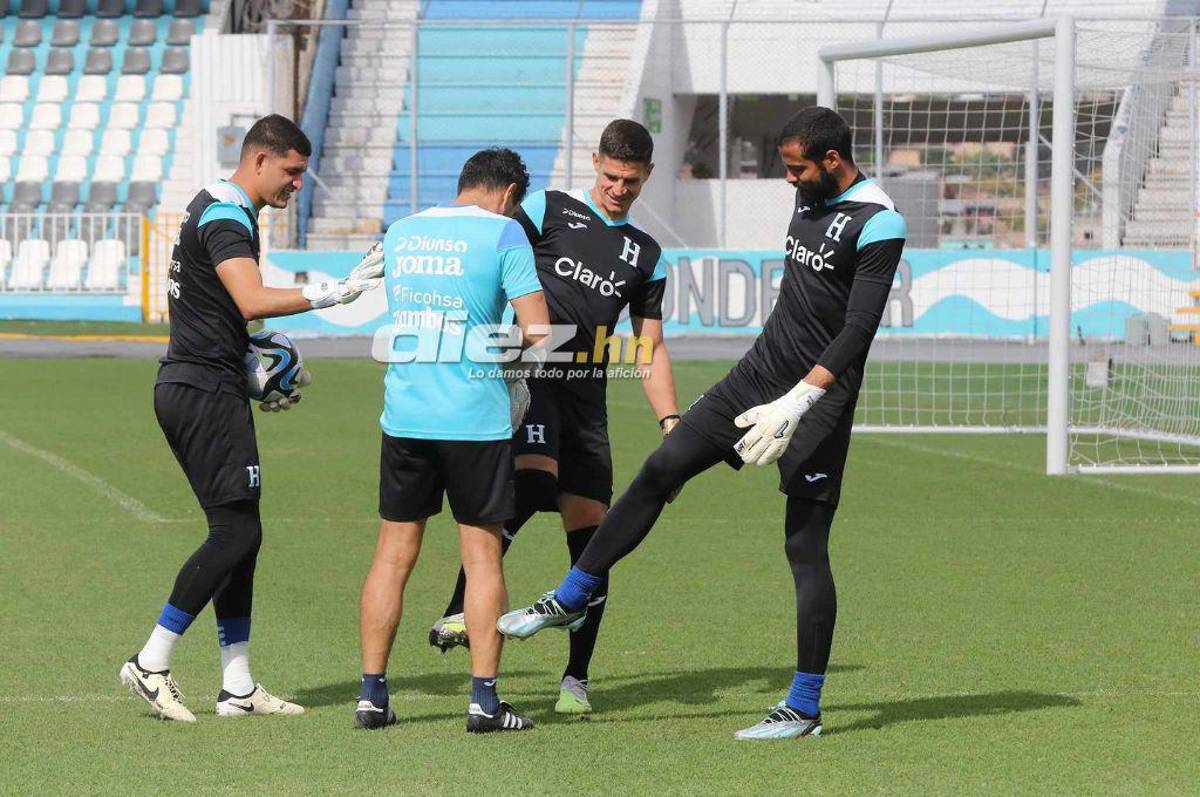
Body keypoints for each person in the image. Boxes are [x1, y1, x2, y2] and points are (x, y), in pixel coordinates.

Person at [497, 106, 908, 740]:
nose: (789, 181)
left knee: (805, 546)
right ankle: (573, 595)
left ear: (832, 161)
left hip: (816, 402)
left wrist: (798, 402)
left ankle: (804, 707)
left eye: (797, 169)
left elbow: (858, 330)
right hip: (754, 375)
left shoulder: (879, 222)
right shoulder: (810, 197)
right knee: (662, 468)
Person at [119, 114, 381, 722]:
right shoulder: (227, 215)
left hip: (205, 383)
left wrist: (258, 360)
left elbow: (224, 313)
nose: (296, 184)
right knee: (234, 534)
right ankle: (151, 661)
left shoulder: (217, 204)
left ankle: (237, 684)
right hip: (201, 390)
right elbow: (251, 299)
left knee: (244, 534)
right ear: (260, 161)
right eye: (291, 171)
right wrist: (331, 292)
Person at [426, 120, 680, 716]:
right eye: (611, 176)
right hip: (532, 376)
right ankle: (463, 606)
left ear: (647, 176)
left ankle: (577, 680)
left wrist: (671, 422)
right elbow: (490, 261)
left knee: (594, 542)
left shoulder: (647, 255)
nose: (619, 189)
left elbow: (650, 347)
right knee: (534, 481)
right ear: (595, 163)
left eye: (632, 181)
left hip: (588, 401)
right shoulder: (545, 208)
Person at [355, 148, 551, 734]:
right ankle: (484, 702)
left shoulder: (404, 232)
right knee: (482, 558)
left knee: (391, 557)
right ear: (511, 194)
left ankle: (371, 696)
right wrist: (509, 367)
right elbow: (538, 331)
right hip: (475, 419)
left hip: (407, 414)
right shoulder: (504, 236)